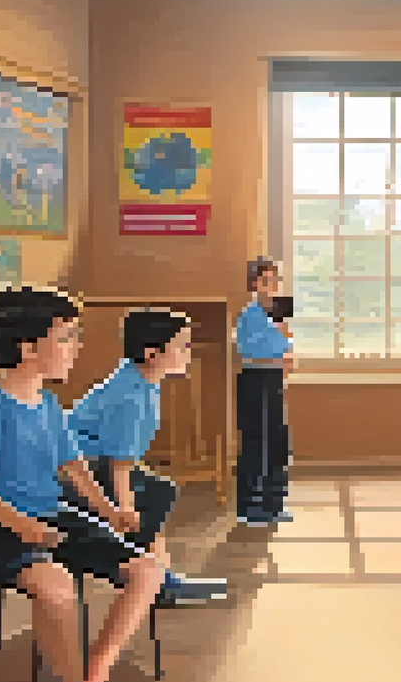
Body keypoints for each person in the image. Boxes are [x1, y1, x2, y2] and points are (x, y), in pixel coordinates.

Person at [0, 287, 163, 682]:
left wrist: (109, 511)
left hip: (50, 515)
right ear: (28, 348)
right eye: (67, 336)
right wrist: (26, 529)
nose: (77, 347)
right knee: (56, 585)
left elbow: (74, 469)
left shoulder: (50, 405)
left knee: (147, 571)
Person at [65, 308, 229, 606]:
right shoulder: (131, 396)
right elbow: (119, 463)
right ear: (152, 354)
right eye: (182, 346)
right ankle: (140, 574)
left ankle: (159, 577)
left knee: (157, 490)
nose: (188, 353)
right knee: (157, 492)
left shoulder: (140, 382)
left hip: (89, 464)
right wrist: (125, 507)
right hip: (72, 472)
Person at [233, 257, 293, 527]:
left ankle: (274, 503)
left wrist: (283, 349)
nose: (272, 286)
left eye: (275, 280)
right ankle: (250, 506)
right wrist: (280, 349)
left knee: (277, 442)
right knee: (257, 442)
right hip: (255, 379)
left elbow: (285, 344)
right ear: (255, 283)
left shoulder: (277, 310)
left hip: (274, 379)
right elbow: (251, 351)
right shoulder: (249, 314)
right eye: (266, 280)